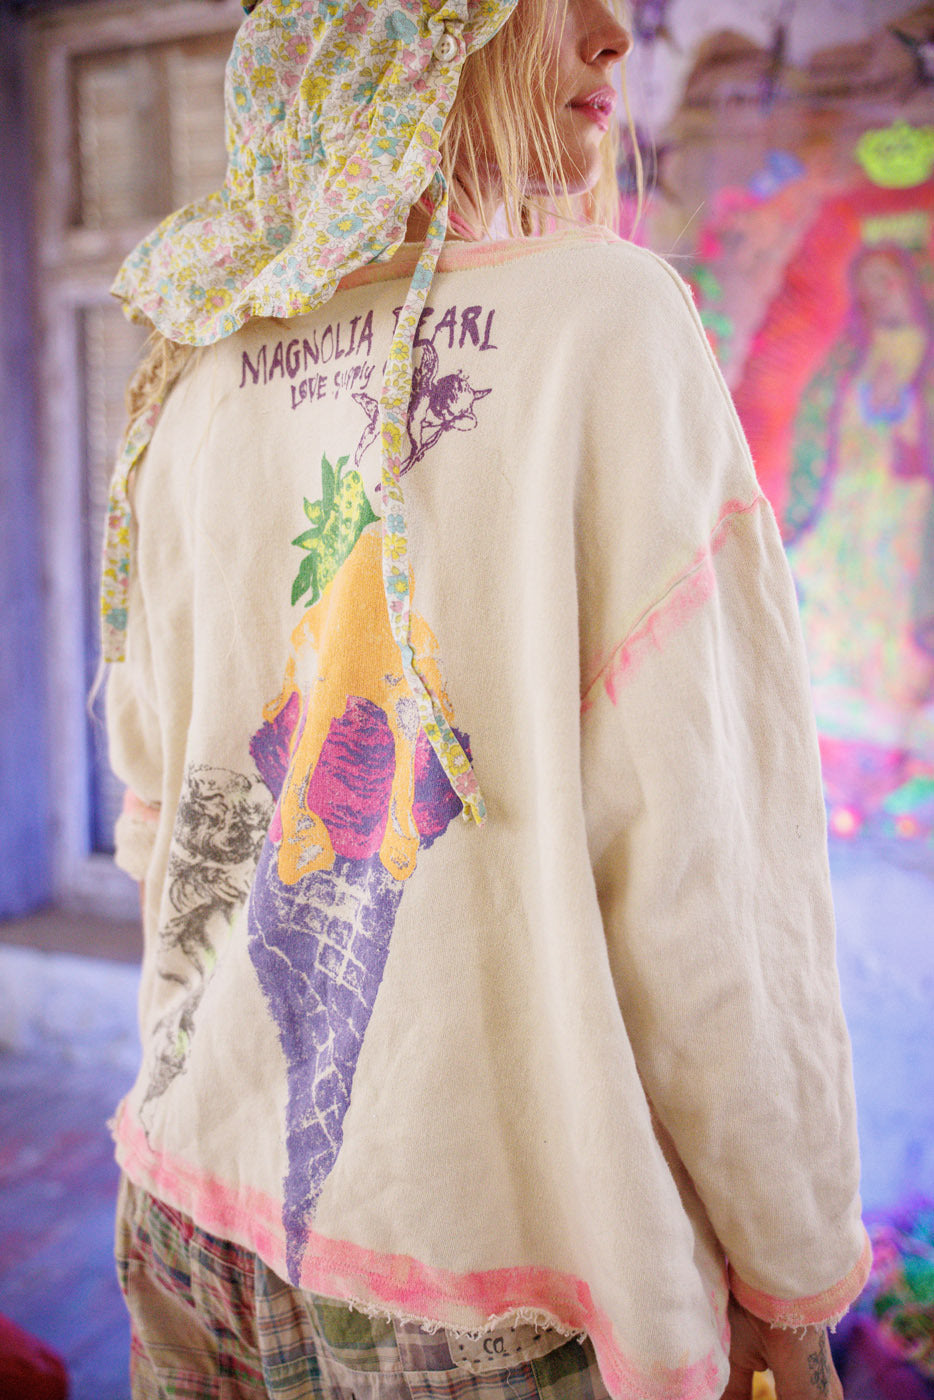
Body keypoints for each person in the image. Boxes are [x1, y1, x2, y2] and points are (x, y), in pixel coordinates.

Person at [101, 0, 870, 1396]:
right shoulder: (604, 320)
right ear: (401, 30)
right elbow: (709, 886)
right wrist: (789, 1258)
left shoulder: (202, 363)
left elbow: (159, 819)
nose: (611, 34)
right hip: (478, 1266)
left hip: (188, 1194)